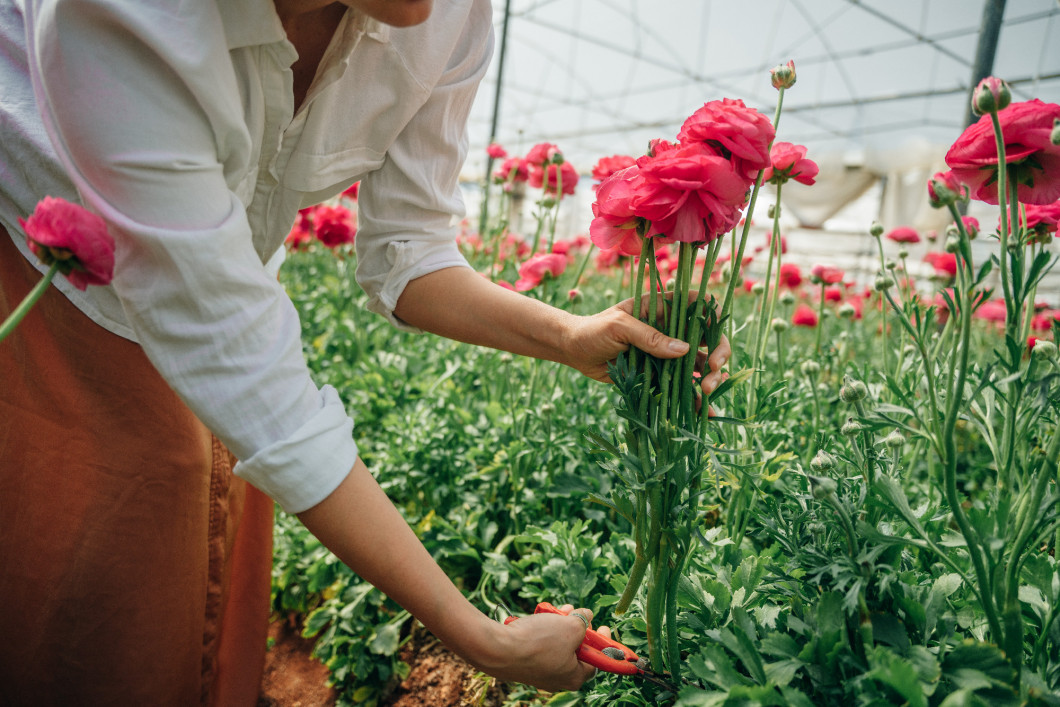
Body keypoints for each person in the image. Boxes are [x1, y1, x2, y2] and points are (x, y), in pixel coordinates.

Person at [0, 0, 730, 704]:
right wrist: (482, 638)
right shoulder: (118, 11)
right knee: (107, 609)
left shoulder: (452, 15)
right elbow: (261, 393)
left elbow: (407, 252)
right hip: (46, 278)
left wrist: (571, 336)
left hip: (231, 293)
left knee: (211, 590)